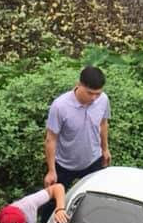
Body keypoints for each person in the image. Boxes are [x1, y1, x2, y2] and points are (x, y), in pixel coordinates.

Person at [43, 65, 111, 194]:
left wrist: (105, 149)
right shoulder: (60, 106)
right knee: (53, 202)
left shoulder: (103, 100)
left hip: (93, 160)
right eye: (90, 93)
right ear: (79, 84)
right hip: (64, 165)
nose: (93, 98)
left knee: (95, 197)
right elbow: (51, 139)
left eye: (98, 93)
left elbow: (103, 124)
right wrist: (51, 171)